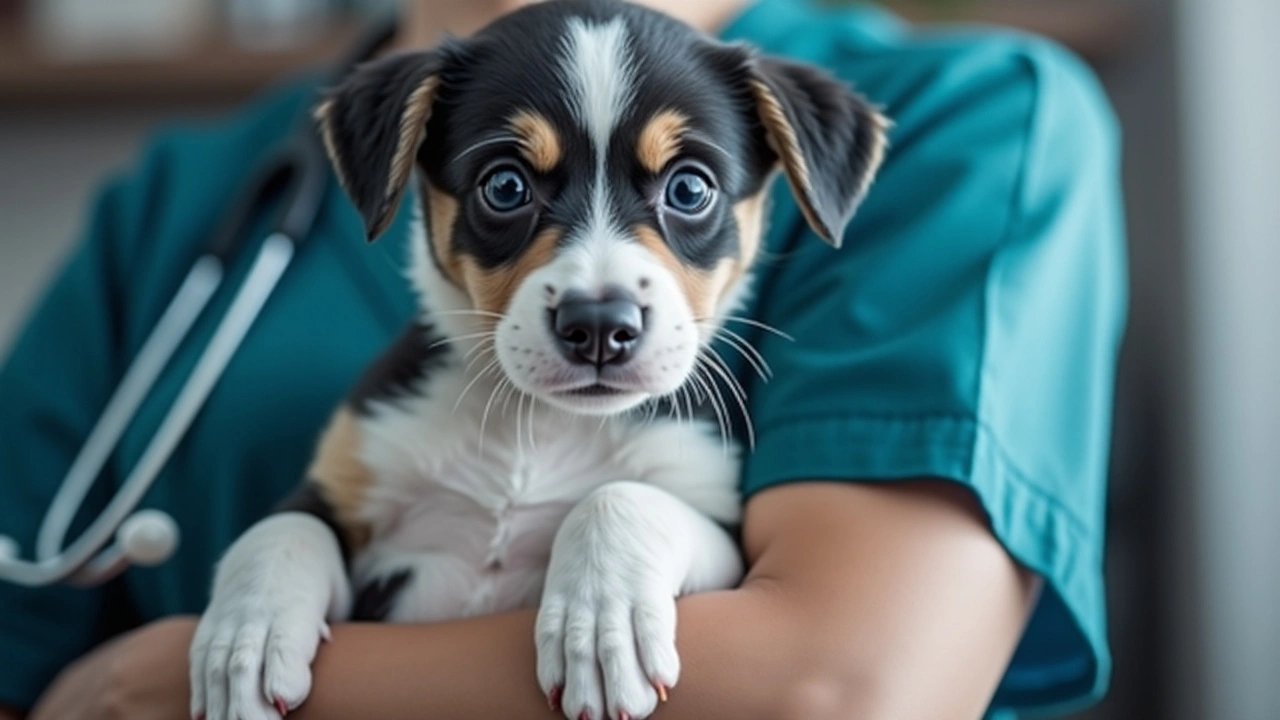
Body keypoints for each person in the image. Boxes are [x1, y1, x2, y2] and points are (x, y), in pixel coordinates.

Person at [0, 0, 1126, 717]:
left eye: (685, 193)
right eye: (505, 188)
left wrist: (166, 681)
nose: (597, 294)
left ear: (773, 183)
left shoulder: (969, 119)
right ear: (408, 185)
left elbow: (843, 687)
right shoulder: (181, 205)